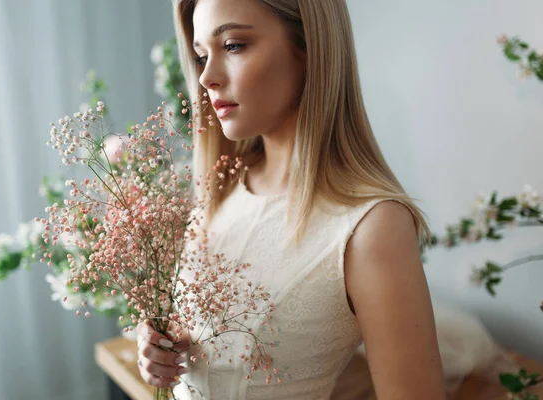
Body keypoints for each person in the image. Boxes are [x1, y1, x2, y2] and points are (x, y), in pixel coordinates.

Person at [137, 0, 447, 398]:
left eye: (233, 45)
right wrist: (162, 348)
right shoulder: (221, 189)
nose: (206, 78)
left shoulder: (370, 227)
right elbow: (210, 343)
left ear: (308, 46)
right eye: (200, 56)